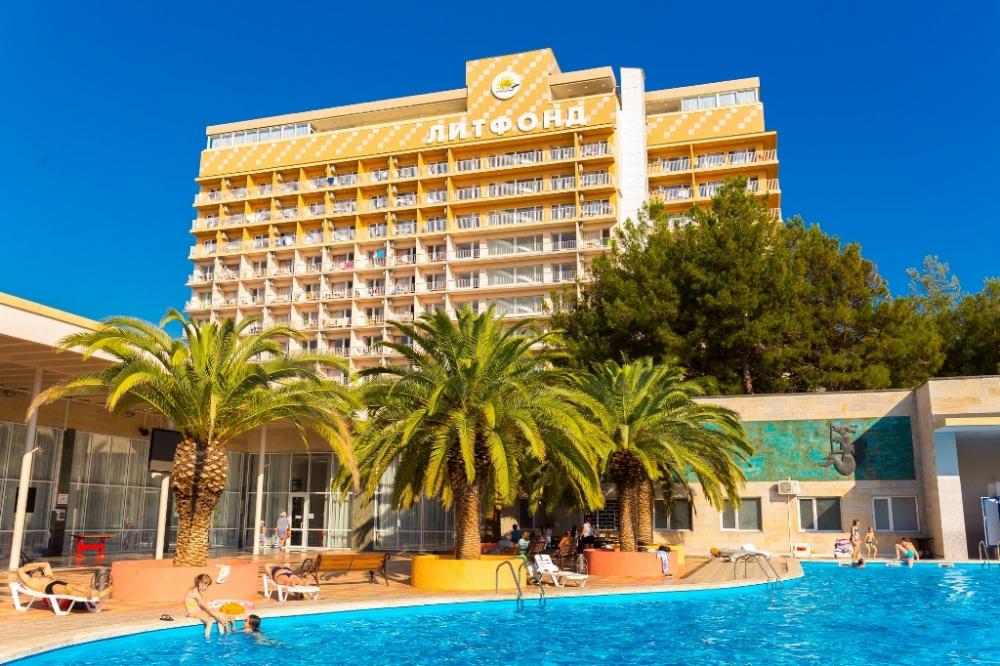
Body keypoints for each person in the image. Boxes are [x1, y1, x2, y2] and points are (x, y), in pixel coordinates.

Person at [17, 562, 111, 601]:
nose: (37, 572)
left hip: (57, 582)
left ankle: (98, 594)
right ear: (30, 574)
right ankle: (86, 596)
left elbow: (46, 564)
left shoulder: (47, 576)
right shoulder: (30, 581)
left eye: (38, 571)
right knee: (68, 589)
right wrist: (30, 567)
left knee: (77, 586)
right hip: (49, 587)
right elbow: (19, 570)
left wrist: (34, 565)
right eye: (34, 572)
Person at [184, 574, 229, 638]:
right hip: (191, 612)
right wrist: (216, 617)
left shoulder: (197, 591)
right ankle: (207, 639)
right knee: (209, 621)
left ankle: (221, 636)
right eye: (206, 586)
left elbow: (202, 606)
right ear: (200, 584)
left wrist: (217, 616)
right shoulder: (194, 592)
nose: (206, 588)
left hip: (198, 611)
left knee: (221, 615)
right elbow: (205, 607)